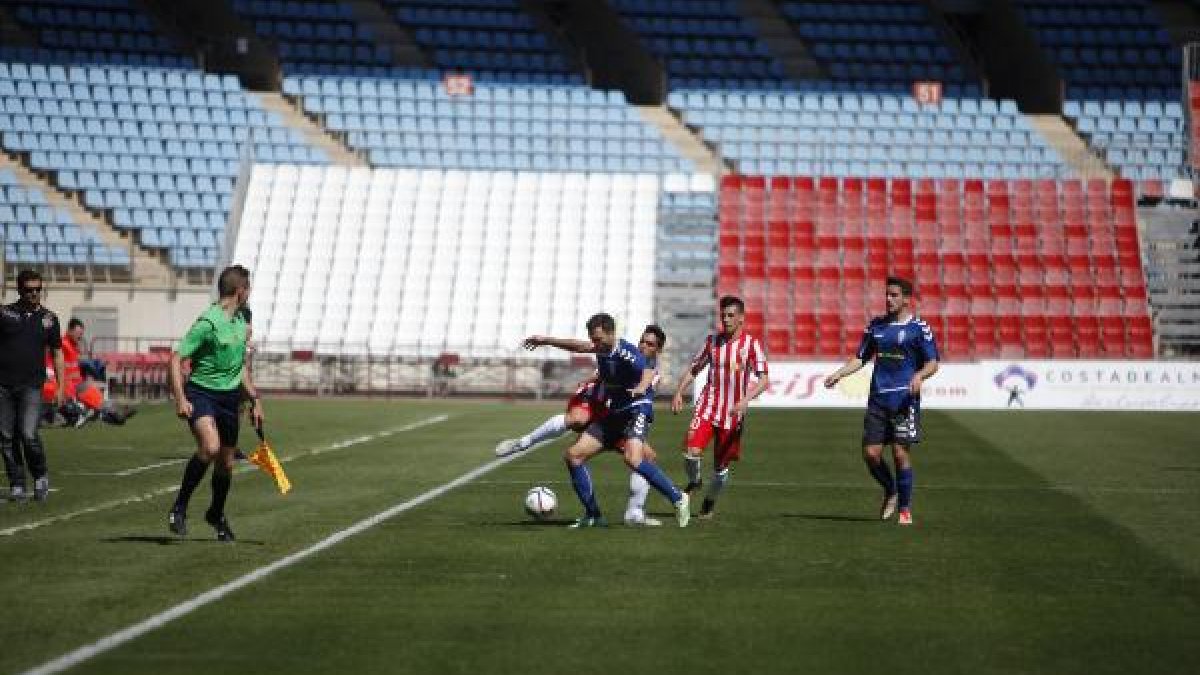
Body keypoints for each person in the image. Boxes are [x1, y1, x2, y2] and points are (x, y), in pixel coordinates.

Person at [523, 313, 690, 528]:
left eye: (599, 339)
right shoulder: (602, 347)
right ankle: (593, 516)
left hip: (636, 410)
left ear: (612, 334)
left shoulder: (628, 352)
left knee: (634, 458)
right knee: (574, 456)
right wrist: (546, 340)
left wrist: (640, 388)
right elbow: (578, 346)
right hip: (616, 413)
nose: (595, 344)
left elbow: (648, 371)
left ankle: (678, 498)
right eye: (593, 339)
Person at [823, 276, 939, 526]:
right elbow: (860, 357)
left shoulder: (920, 328)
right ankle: (891, 490)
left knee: (899, 454)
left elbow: (933, 363)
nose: (888, 299)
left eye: (894, 295)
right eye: (887, 294)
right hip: (878, 399)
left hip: (904, 401)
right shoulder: (876, 326)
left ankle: (905, 509)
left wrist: (919, 375)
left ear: (907, 299)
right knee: (870, 454)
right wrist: (839, 374)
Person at [166, 265, 263, 541]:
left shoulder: (240, 322)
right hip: (202, 394)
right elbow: (175, 358)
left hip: (230, 399)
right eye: (248, 288)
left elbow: (239, 368)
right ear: (240, 291)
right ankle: (180, 507)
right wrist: (181, 398)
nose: (249, 293)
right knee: (210, 446)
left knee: (226, 464)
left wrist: (254, 399)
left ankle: (216, 514)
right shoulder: (208, 323)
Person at [670, 295, 769, 520]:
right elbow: (695, 368)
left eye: (730, 315)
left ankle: (709, 502)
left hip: (732, 414)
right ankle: (695, 482)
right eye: (723, 315)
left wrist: (745, 400)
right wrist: (678, 392)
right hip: (708, 405)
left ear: (741, 318)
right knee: (690, 452)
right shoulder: (712, 342)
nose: (725, 319)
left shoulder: (751, 345)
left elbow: (764, 379)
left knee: (720, 468)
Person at [1, 270, 65, 502]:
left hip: (32, 386)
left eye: (38, 289)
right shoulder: (4, 314)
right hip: (3, 387)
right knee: (6, 437)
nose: (34, 294)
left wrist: (61, 387)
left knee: (28, 434)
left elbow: (58, 354)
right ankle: (17, 483)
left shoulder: (50, 319)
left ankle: (40, 476)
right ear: (19, 290)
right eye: (29, 290)